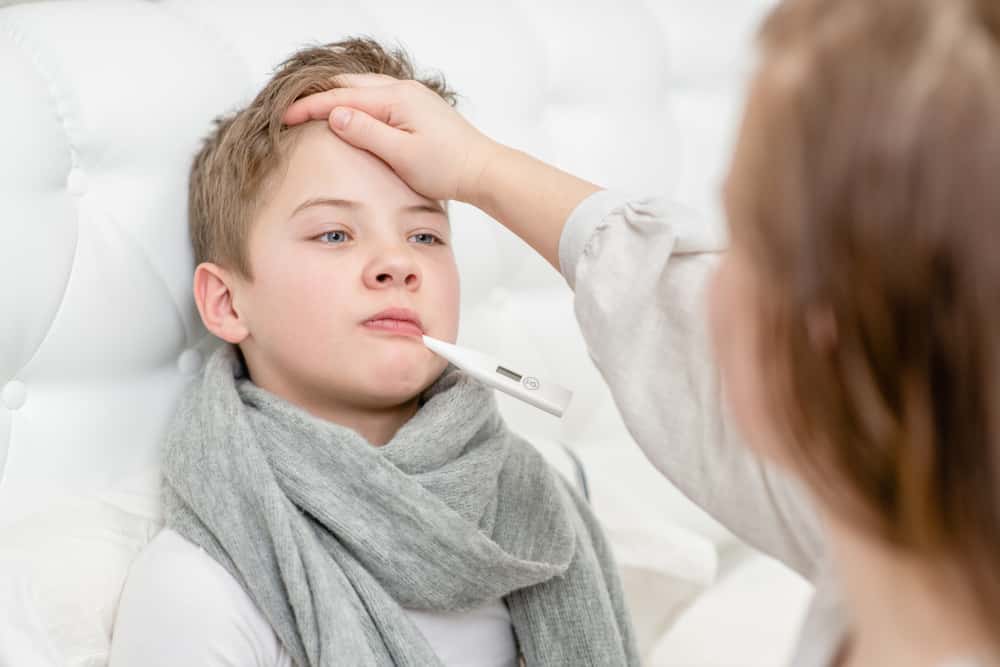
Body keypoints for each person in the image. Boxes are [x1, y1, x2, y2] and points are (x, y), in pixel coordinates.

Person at [282, 1, 1000, 665]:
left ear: (819, 342)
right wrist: (475, 166)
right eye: (335, 232)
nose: (700, 281)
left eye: (740, 240)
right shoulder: (886, 507)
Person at [108, 39, 638, 667]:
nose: (397, 263)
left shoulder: (542, 508)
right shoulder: (198, 593)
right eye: (334, 233)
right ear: (226, 303)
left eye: (424, 234)